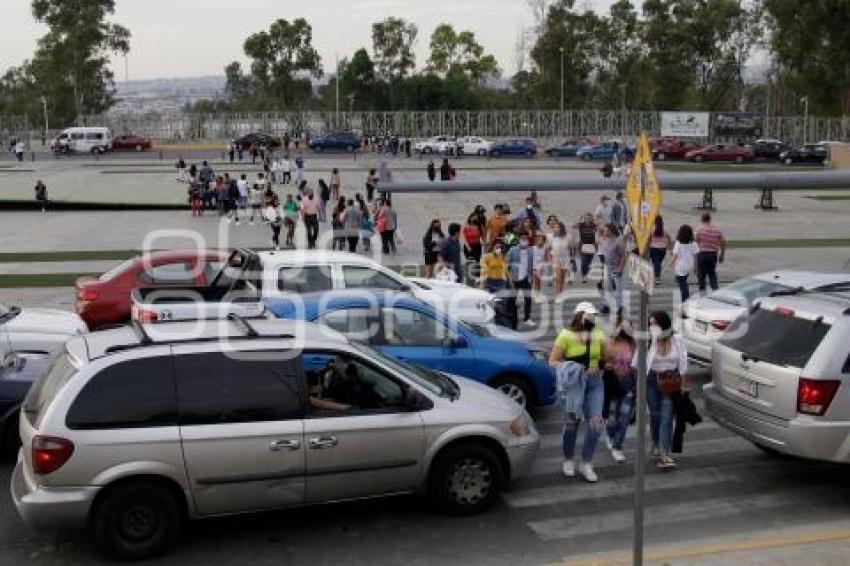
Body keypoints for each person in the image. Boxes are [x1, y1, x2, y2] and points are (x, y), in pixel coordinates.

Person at [550, 302, 607, 482]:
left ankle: (586, 462)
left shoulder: (598, 333)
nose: (591, 318)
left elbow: (605, 357)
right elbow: (553, 361)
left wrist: (601, 365)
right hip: (574, 384)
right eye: (588, 315)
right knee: (571, 423)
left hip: (595, 383)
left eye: (593, 315)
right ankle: (568, 459)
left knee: (596, 423)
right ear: (579, 315)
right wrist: (574, 368)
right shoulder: (565, 335)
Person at [636, 310, 689, 469]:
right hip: (651, 381)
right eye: (650, 323)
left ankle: (664, 453)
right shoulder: (647, 339)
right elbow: (636, 362)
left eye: (655, 323)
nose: (652, 326)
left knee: (666, 418)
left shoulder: (677, 338)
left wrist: (683, 385)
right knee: (655, 415)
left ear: (663, 324)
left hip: (670, 382)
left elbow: (683, 362)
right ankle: (656, 441)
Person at [604, 315, 636, 463]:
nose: (625, 330)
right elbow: (603, 361)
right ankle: (610, 435)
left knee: (624, 418)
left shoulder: (633, 343)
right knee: (611, 418)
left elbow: (638, 365)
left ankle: (618, 447)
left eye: (628, 327)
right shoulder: (610, 342)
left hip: (628, 383)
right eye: (623, 326)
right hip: (612, 384)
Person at [507, 234, 536, 329]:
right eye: (523, 239)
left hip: (526, 278)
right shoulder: (512, 250)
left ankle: (527, 318)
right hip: (514, 278)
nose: (524, 241)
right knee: (512, 299)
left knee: (528, 298)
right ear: (519, 240)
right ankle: (510, 318)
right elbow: (507, 264)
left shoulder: (531, 251)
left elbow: (533, 265)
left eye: (526, 239)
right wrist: (510, 279)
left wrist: (531, 276)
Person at [694, 212, 726, 293]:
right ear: (710, 219)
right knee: (712, 273)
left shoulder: (699, 229)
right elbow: (723, 241)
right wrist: (722, 254)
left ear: (702, 219)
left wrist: (695, 261)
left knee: (701, 275)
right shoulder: (717, 229)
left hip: (702, 254)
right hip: (712, 254)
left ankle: (702, 292)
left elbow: (695, 244)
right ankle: (715, 290)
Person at [600, 224, 626, 308]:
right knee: (607, 287)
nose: (604, 232)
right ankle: (606, 306)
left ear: (612, 231)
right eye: (604, 230)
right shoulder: (604, 240)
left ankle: (619, 306)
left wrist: (621, 269)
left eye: (606, 230)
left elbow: (623, 256)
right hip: (607, 267)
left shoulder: (618, 242)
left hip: (616, 268)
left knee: (618, 288)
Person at [672, 224, 699, 303]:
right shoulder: (693, 243)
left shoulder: (678, 243)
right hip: (689, 264)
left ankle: (685, 299)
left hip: (680, 265)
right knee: (684, 279)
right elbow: (696, 255)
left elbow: (675, 255)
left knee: (683, 284)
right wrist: (695, 266)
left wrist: (671, 263)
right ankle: (685, 298)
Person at [648, 215, 672, 281]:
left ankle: (657, 277)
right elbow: (670, 238)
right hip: (662, 249)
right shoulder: (665, 229)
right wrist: (669, 246)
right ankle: (657, 276)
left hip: (653, 248)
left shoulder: (652, 228)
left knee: (655, 263)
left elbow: (648, 238)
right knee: (658, 263)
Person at [462, 213, 483, 283]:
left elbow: (482, 235)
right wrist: (467, 246)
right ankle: (469, 277)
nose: (475, 219)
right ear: (470, 217)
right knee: (470, 261)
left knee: (477, 261)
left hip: (477, 245)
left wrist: (484, 242)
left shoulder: (478, 226)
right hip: (468, 246)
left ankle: (477, 278)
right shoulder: (466, 226)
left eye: (476, 218)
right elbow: (464, 237)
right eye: (474, 218)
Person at [551, 221, 571, 295]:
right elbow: (550, 250)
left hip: (565, 259)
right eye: (555, 227)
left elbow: (571, 248)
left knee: (562, 279)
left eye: (557, 227)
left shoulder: (567, 237)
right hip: (556, 259)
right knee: (558, 279)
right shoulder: (552, 238)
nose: (556, 229)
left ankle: (560, 293)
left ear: (561, 228)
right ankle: (557, 295)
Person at [577, 213, 597, 283]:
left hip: (592, 245)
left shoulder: (594, 225)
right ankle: (583, 276)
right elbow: (573, 226)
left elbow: (600, 229)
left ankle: (586, 272)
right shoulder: (581, 225)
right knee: (583, 262)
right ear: (584, 219)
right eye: (586, 218)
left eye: (589, 218)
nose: (587, 219)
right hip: (583, 245)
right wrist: (579, 219)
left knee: (589, 262)